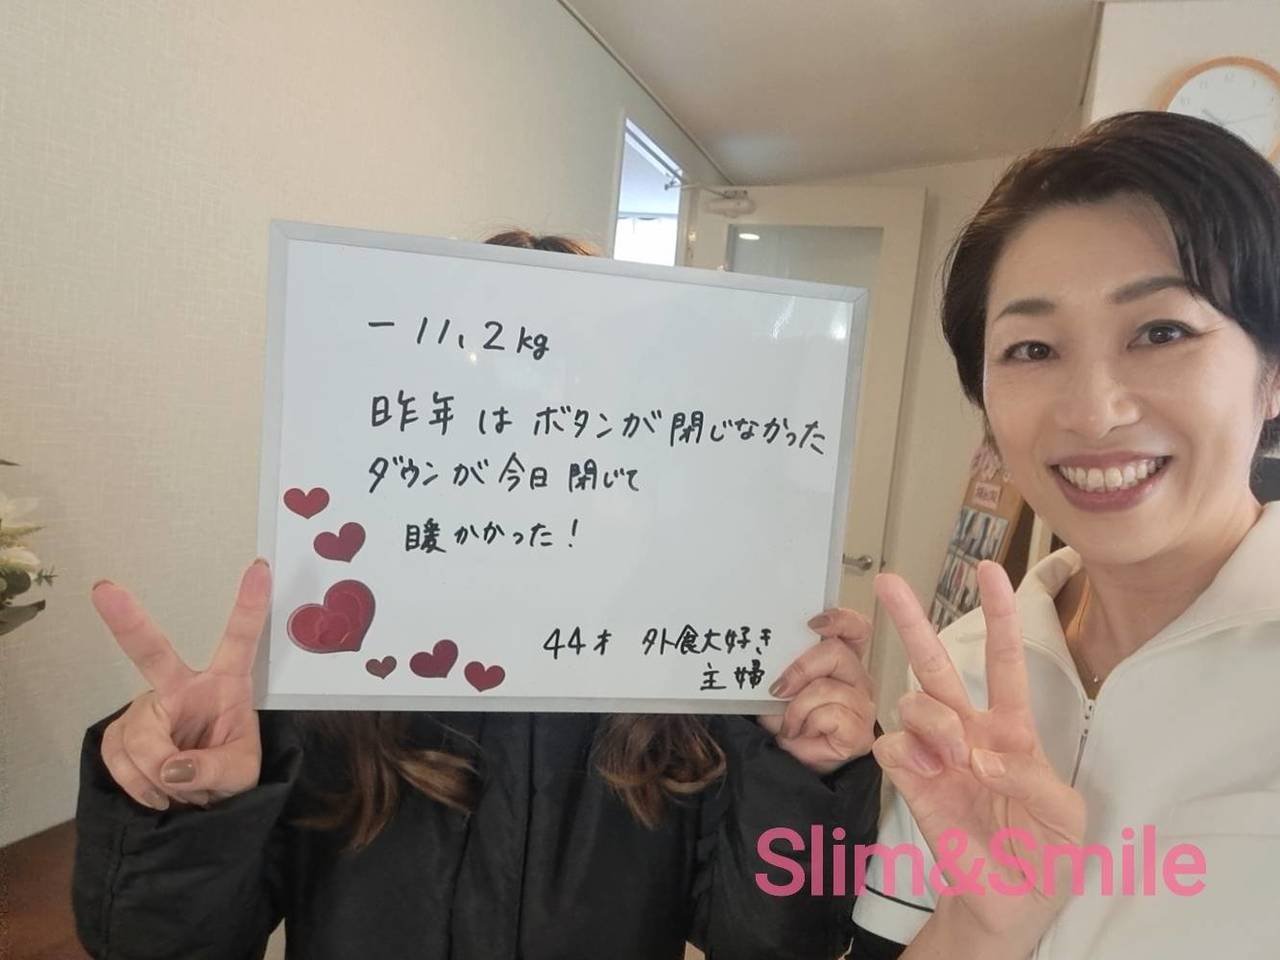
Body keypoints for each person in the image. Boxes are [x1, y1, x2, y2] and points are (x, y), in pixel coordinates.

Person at [71, 229, 883, 960]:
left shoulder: (694, 685)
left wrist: (806, 780)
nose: (534, 437)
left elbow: (794, 944)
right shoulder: (327, 681)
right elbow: (144, 945)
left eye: (581, 401)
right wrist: (183, 815)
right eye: (484, 394)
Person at [850, 111, 1280, 959]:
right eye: (1032, 349)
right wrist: (980, 925)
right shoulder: (967, 664)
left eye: (1162, 332)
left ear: (1273, 374)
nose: (1091, 411)